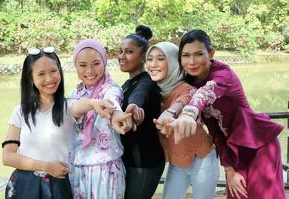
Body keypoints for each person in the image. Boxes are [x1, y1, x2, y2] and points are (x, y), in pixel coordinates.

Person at [172, 29, 285, 199]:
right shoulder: (190, 84)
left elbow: (207, 92)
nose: (192, 61)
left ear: (211, 53)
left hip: (258, 145)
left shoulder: (223, 74)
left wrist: (189, 112)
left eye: (199, 54)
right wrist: (230, 170)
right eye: (186, 55)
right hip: (234, 152)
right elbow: (216, 132)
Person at [145, 41, 219, 199]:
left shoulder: (184, 88)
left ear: (173, 62)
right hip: (177, 162)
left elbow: (186, 99)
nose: (153, 64)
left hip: (202, 159)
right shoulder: (152, 92)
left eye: (160, 59)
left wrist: (171, 112)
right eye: (149, 59)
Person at [2, 47, 74, 198]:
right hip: (25, 186)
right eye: (41, 74)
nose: (49, 79)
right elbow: (7, 156)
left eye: (54, 71)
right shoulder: (20, 112)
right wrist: (47, 167)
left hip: (59, 186)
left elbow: (89, 103)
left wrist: (107, 109)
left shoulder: (70, 107)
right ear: (30, 79)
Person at [68, 39, 132, 199]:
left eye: (96, 63)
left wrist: (116, 114)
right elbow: (71, 112)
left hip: (104, 170)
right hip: (77, 168)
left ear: (104, 62)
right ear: (76, 67)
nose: (90, 70)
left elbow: (112, 102)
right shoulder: (75, 94)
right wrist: (91, 104)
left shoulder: (111, 88)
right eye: (83, 65)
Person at [118, 25, 165, 199]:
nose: (122, 56)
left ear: (143, 57)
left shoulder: (146, 82)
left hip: (144, 162)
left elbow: (139, 97)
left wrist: (134, 107)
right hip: (129, 160)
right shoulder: (127, 83)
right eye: (120, 51)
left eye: (128, 52)